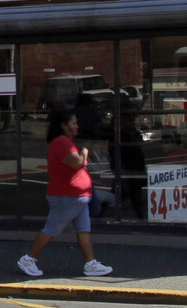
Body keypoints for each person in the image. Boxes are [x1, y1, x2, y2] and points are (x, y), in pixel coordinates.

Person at [17, 109, 114, 278]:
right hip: (67, 197)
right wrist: (84, 152)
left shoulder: (65, 142)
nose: (77, 126)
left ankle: (90, 264)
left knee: (84, 230)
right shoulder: (61, 142)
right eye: (74, 123)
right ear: (64, 125)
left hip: (77, 198)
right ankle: (28, 259)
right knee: (51, 229)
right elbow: (77, 163)